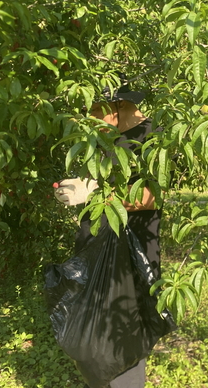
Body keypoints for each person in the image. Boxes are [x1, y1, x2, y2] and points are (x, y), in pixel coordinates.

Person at [53, 82, 166, 388]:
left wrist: (91, 192)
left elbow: (152, 196)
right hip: (101, 252)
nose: (88, 118)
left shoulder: (149, 138)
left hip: (130, 258)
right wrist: (76, 188)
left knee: (122, 340)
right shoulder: (107, 139)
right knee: (98, 339)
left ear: (117, 107)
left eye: (93, 109)